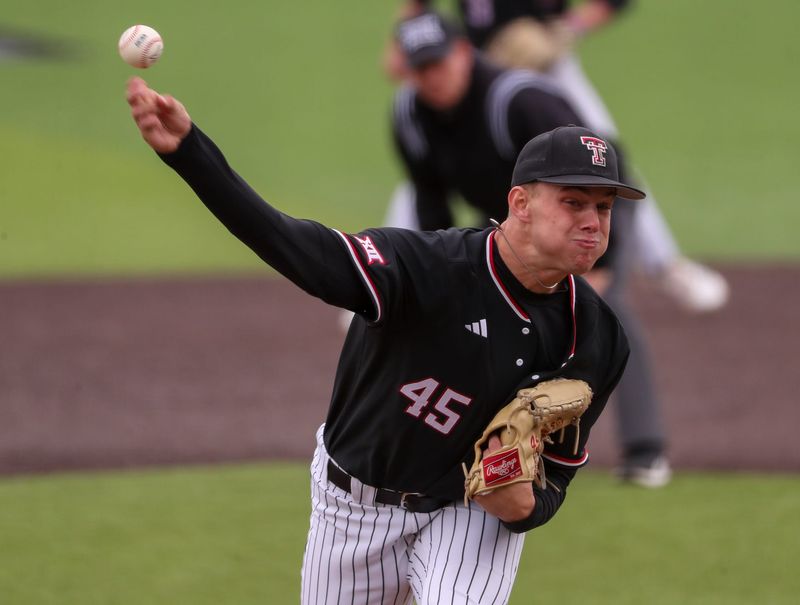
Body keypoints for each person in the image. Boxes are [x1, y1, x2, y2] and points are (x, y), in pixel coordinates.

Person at [126, 72, 641, 602]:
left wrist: (520, 503)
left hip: (466, 512)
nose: (593, 222)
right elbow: (294, 245)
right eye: (574, 202)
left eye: (603, 207)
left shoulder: (596, 338)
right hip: (352, 506)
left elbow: (554, 480)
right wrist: (190, 153)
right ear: (520, 203)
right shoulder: (425, 267)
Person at [385, 10, 670, 485]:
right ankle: (472, 443)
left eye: (438, 63)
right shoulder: (410, 116)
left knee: (602, 309)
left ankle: (645, 450)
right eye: (419, 69)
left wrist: (606, 259)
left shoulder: (518, 99)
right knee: (467, 312)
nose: (430, 78)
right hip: (512, 223)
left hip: (587, 212)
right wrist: (435, 270)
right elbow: (430, 201)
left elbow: (604, 168)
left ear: (463, 53)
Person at [384, 0, 729, 315]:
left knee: (599, 159)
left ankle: (662, 263)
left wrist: (569, 27)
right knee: (431, 161)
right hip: (473, 63)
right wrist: (406, 40)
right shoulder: (423, 95)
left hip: (543, 63)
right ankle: (386, 277)